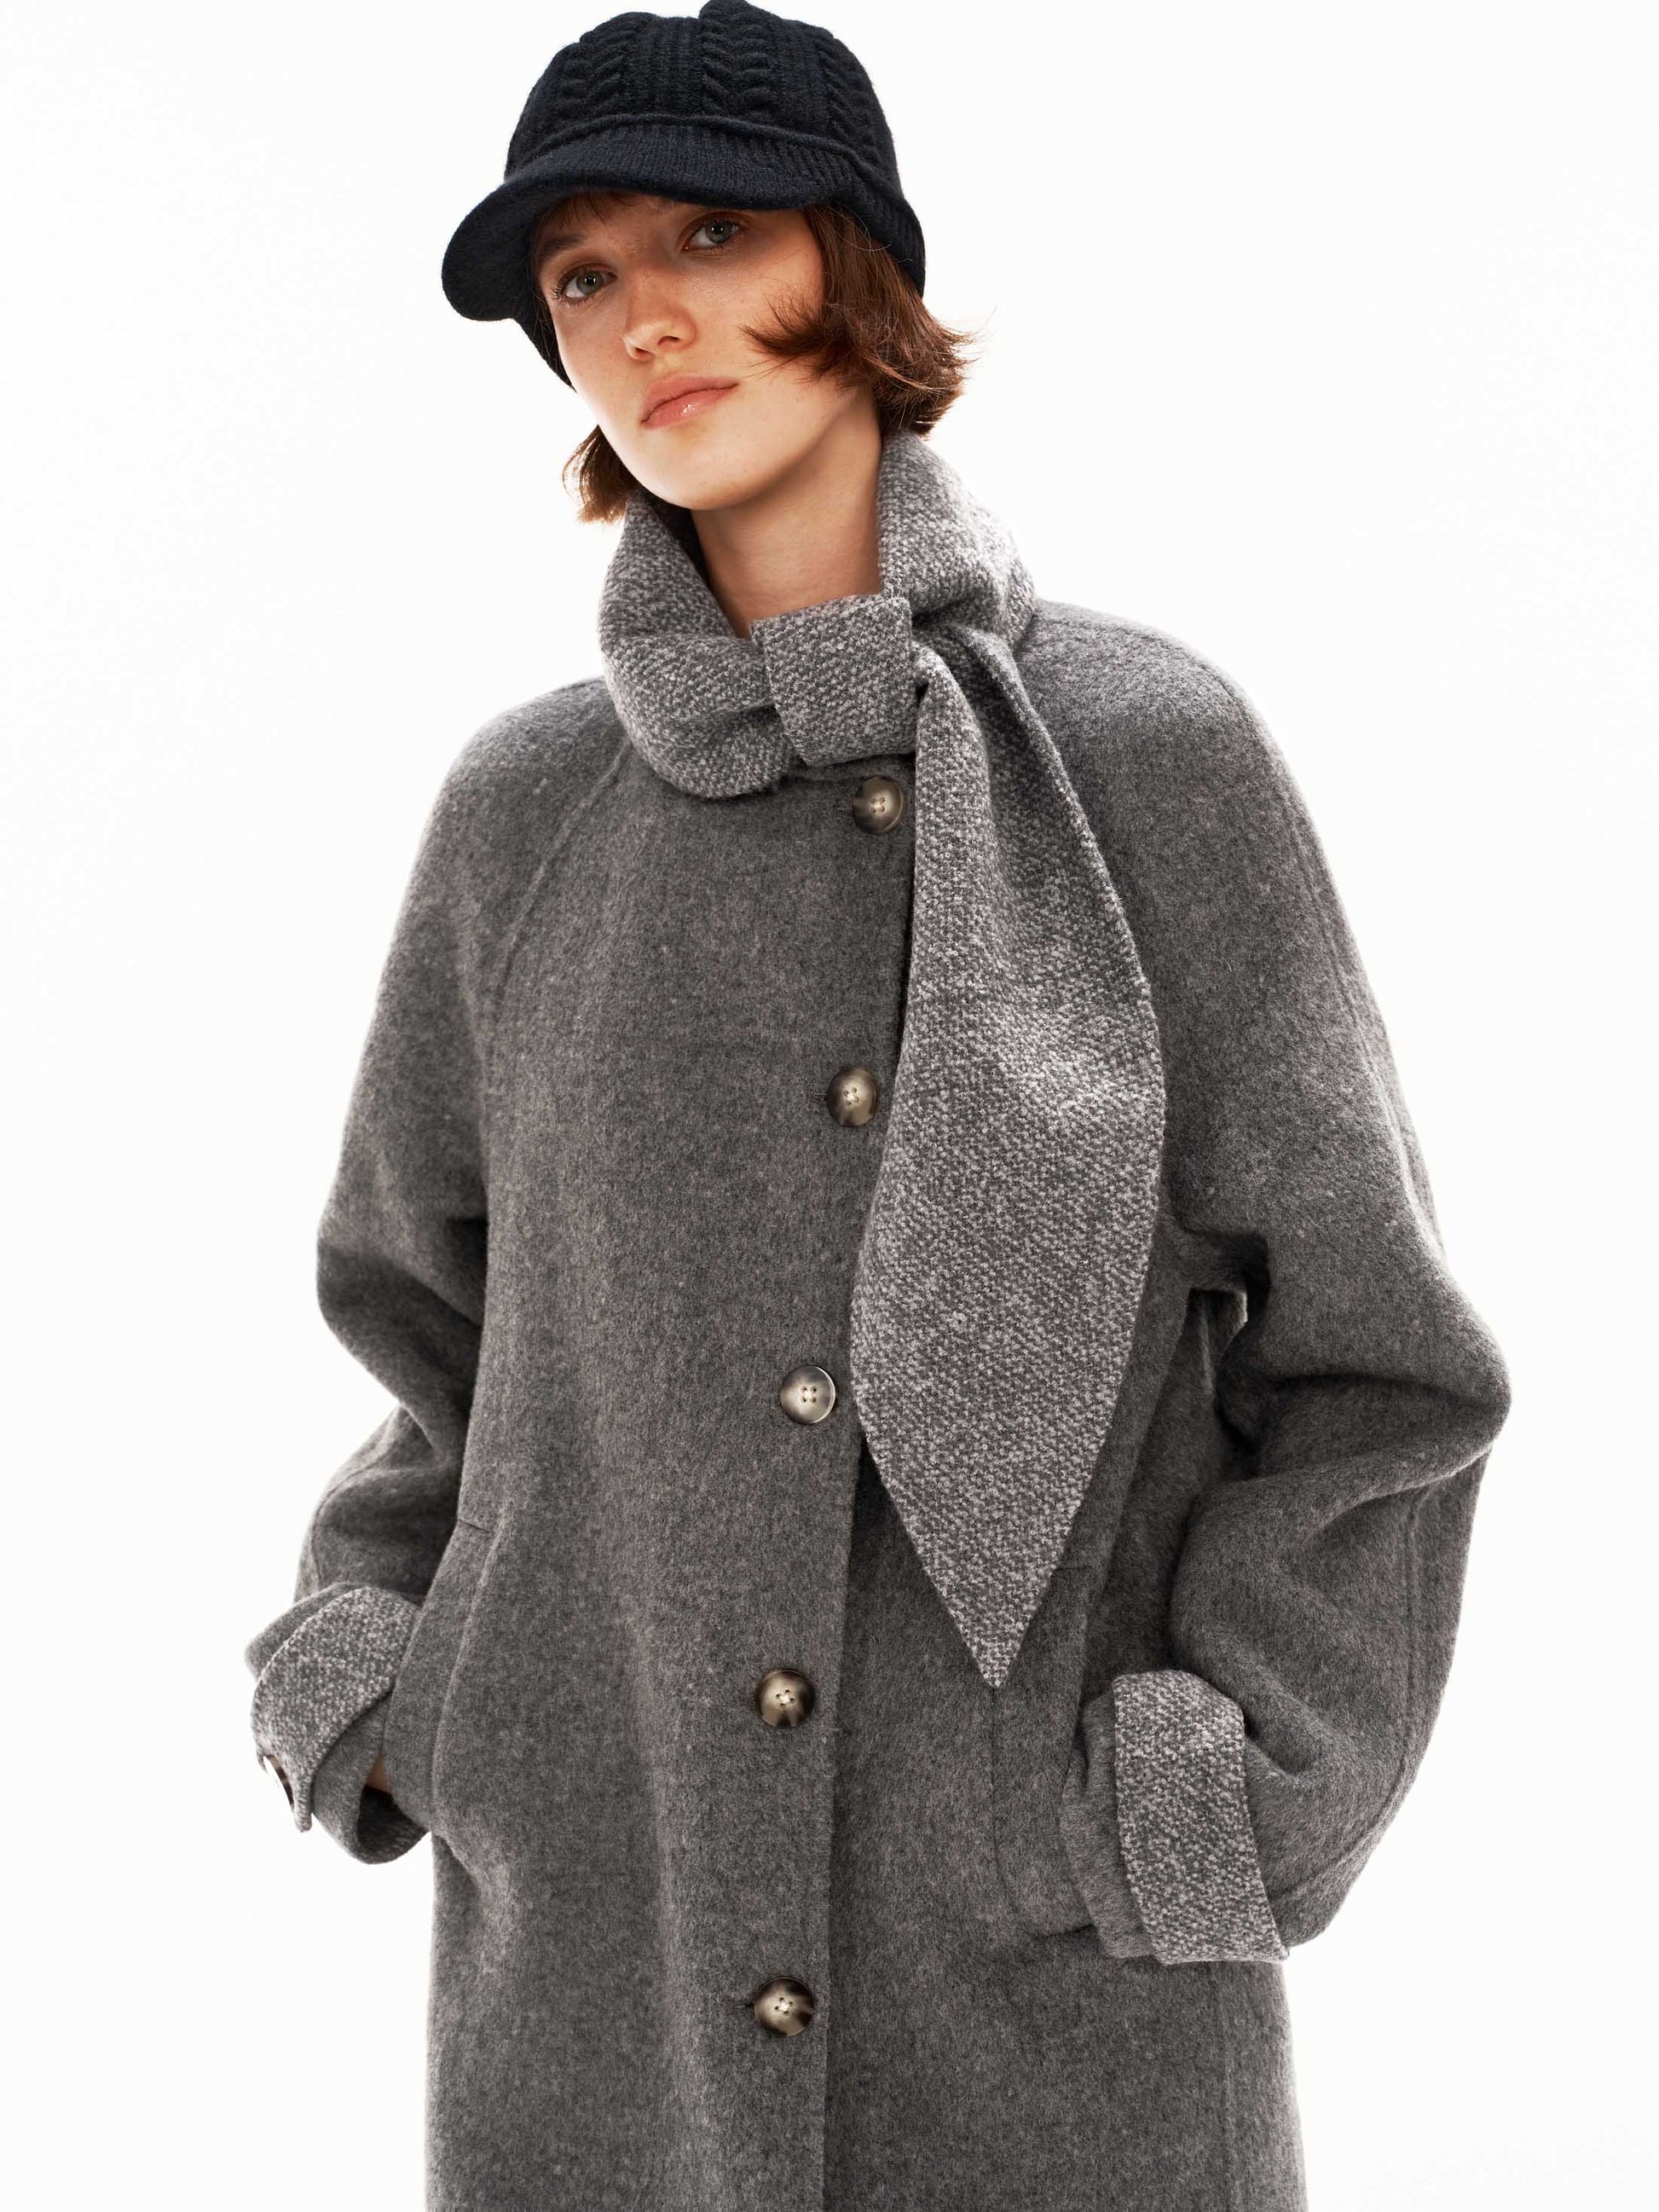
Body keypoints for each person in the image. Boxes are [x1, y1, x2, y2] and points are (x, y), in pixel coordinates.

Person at [242, 5, 1512, 2207]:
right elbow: (428, 1328)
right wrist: (394, 1683)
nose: (642, 317)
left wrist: (1224, 1784)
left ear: (852, 264)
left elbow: (1371, 1357)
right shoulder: (522, 813)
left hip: (1046, 1960)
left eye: (706, 235)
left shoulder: (1138, 757)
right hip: (598, 1949)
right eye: (580, 276)